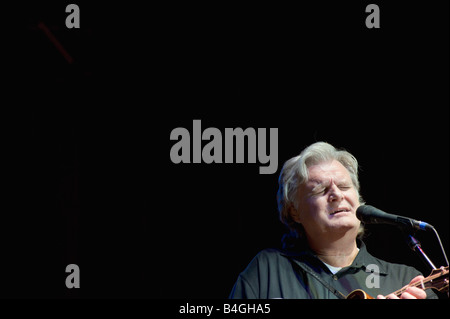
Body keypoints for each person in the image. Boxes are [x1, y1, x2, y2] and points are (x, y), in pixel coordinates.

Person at [229, 142, 437, 299]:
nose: (337, 195)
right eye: (321, 189)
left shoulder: (406, 279)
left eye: (344, 186)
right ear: (295, 212)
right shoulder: (267, 270)